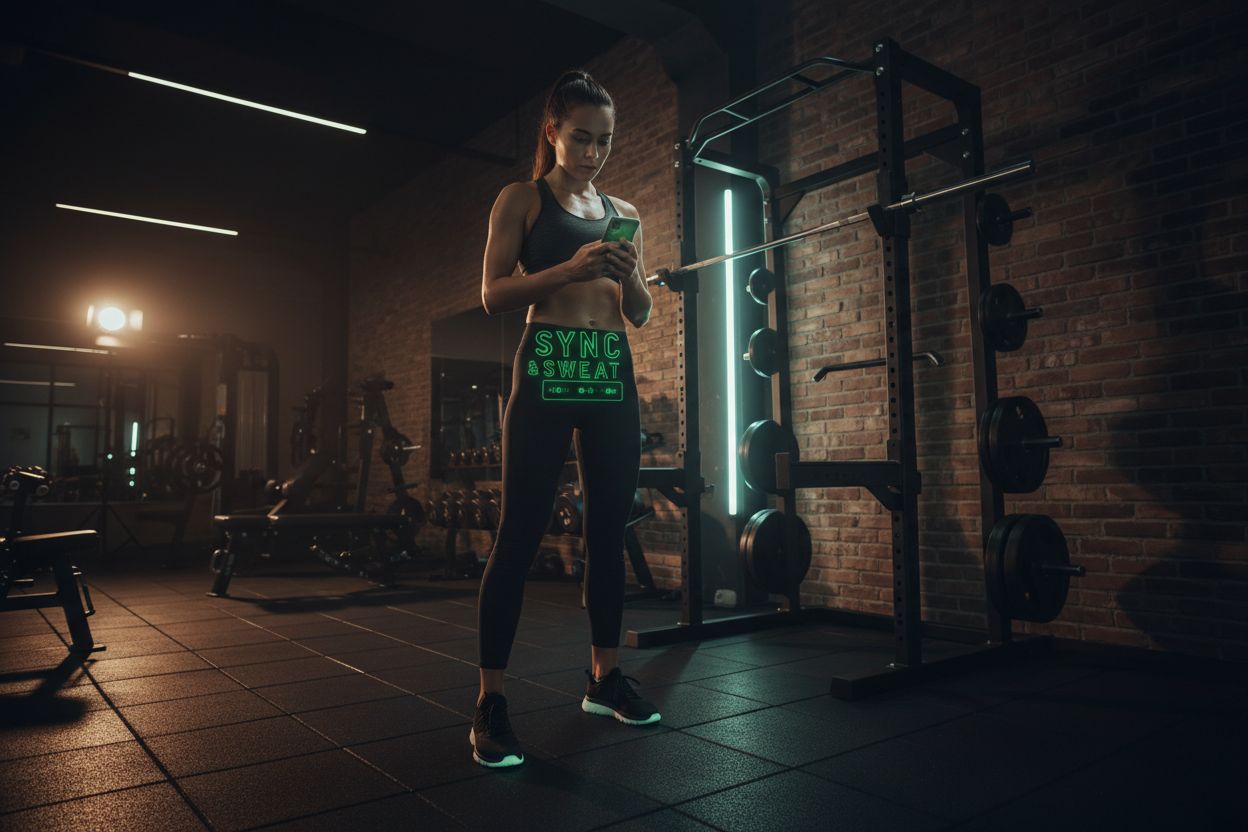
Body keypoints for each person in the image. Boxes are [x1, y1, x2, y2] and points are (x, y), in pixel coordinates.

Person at [472, 69, 662, 768]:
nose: (593, 153)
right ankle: (491, 702)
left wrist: (629, 272)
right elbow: (493, 293)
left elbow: (637, 314)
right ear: (552, 131)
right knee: (519, 532)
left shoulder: (626, 211)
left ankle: (603, 678)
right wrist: (572, 268)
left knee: (609, 529)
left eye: (605, 141)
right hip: (550, 354)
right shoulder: (521, 199)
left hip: (608, 366)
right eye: (581, 138)